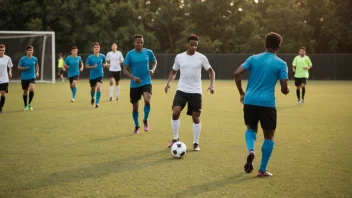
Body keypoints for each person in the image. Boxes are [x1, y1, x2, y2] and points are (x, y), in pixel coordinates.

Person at [234, 32, 290, 177]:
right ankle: (262, 169)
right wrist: (287, 88)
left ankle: (251, 150)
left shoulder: (253, 58)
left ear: (265, 44)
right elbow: (284, 90)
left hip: (249, 100)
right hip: (267, 103)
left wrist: (241, 92)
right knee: (269, 136)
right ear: (279, 46)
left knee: (251, 128)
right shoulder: (281, 64)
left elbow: (237, 73)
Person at [164, 34, 215, 151]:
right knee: (175, 112)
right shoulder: (179, 57)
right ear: (187, 45)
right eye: (192, 45)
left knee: (195, 118)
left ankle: (196, 143)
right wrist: (168, 83)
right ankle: (175, 139)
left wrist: (212, 85)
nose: (194, 47)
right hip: (181, 90)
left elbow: (211, 72)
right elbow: (173, 72)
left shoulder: (201, 58)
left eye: (196, 45)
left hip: (196, 92)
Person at [123, 34, 157, 134]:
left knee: (147, 100)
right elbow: (124, 69)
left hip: (146, 81)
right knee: (135, 107)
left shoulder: (148, 52)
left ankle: (145, 120)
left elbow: (155, 61)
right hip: (134, 84)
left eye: (141, 42)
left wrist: (153, 69)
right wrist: (133, 77)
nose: (140, 44)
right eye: (138, 42)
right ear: (134, 43)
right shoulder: (130, 54)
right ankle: (137, 126)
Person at [85, 42, 108, 108]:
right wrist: (92, 67)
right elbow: (86, 66)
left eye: (98, 47)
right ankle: (92, 98)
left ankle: (97, 103)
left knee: (98, 88)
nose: (96, 48)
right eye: (95, 47)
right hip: (92, 76)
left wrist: (106, 65)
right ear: (93, 49)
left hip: (100, 74)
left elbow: (104, 63)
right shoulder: (90, 57)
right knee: (93, 89)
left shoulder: (102, 56)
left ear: (99, 48)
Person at [18, 45, 39, 111]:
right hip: (24, 77)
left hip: (32, 76)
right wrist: (24, 68)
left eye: (31, 50)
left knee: (32, 89)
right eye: (29, 50)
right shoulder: (22, 59)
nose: (30, 51)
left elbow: (37, 65)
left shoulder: (34, 58)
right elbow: (18, 67)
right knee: (25, 91)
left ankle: (30, 103)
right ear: (26, 51)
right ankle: (25, 105)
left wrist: (37, 72)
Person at [0, 44, 13, 113]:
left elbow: (10, 66)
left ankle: (0, 108)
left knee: (2, 93)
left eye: (3, 50)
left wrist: (10, 72)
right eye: (0, 50)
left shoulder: (7, 58)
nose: (2, 52)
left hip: (4, 79)